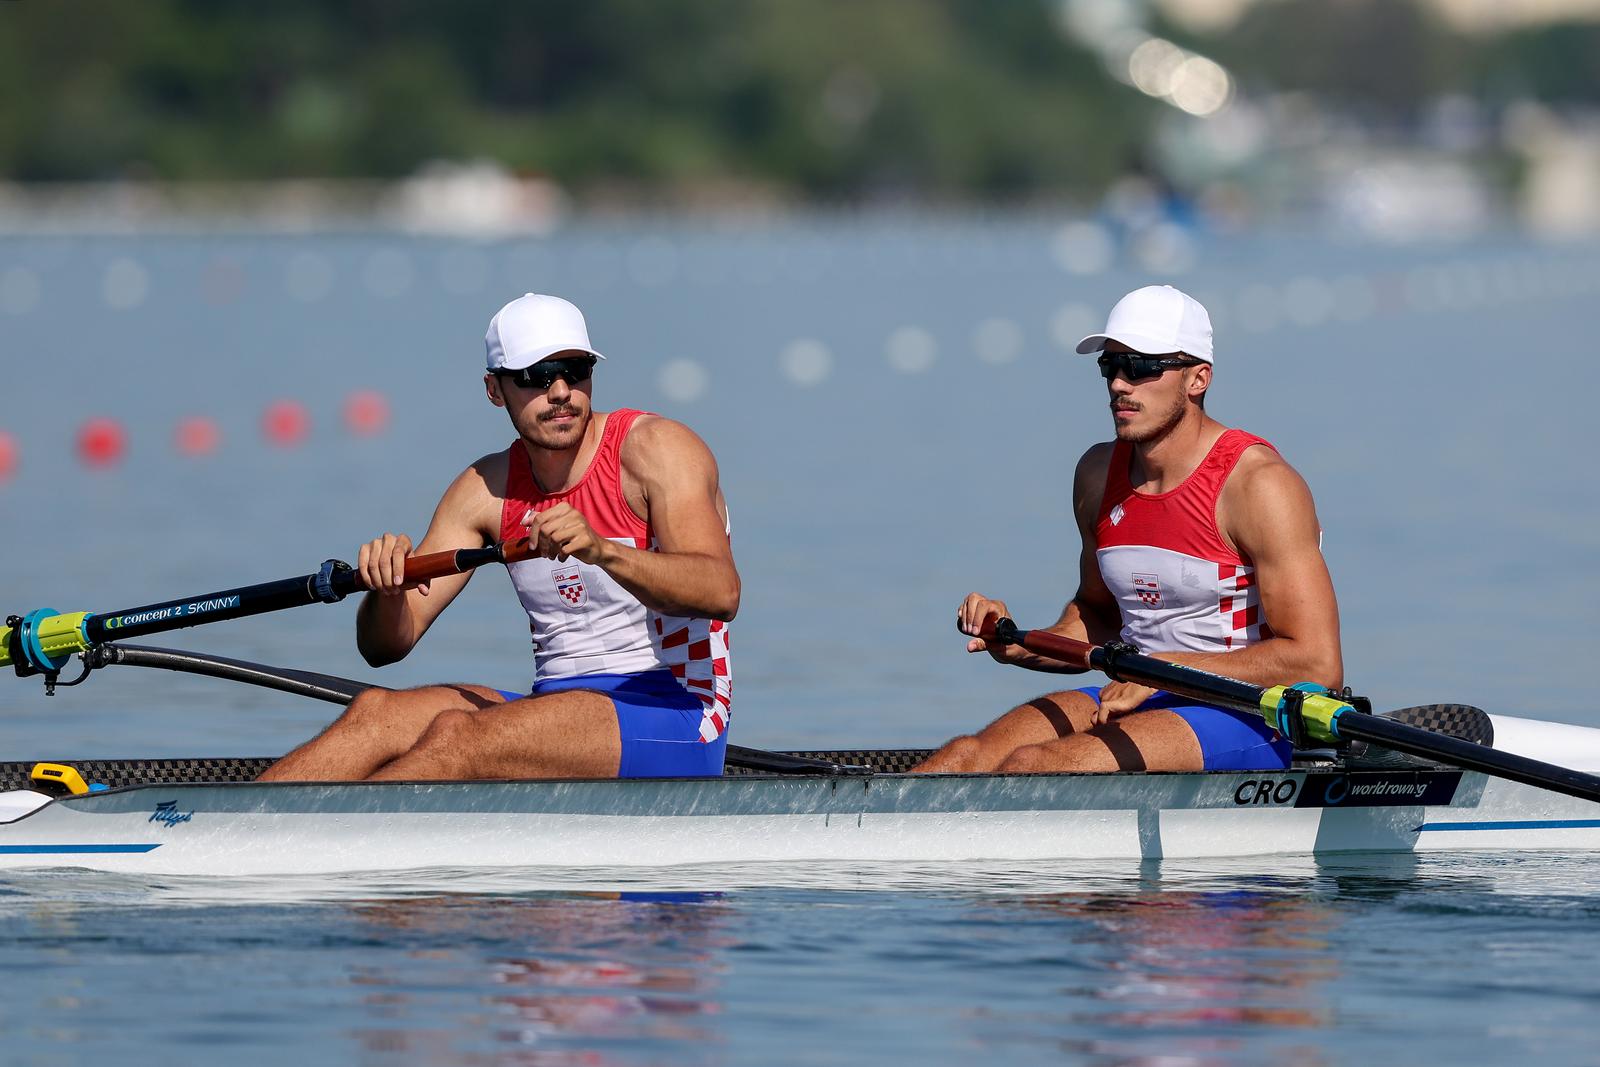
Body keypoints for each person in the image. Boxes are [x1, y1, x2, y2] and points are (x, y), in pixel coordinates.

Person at [260, 293, 738, 782]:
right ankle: (230, 831)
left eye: (575, 370)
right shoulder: (486, 490)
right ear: (494, 389)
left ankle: (322, 841)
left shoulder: (656, 451)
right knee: (376, 714)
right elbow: (384, 648)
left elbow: (719, 592)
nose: (560, 391)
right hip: (556, 711)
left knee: (458, 737)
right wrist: (387, 593)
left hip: (677, 711)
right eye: (535, 375)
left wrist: (603, 550)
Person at [914, 284, 1341, 774]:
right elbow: (1100, 618)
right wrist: (1019, 643)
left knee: (1038, 765)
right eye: (1110, 367)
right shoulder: (1097, 476)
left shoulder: (1260, 487)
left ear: (1198, 378)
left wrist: (1166, 674)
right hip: (1133, 693)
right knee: (962, 760)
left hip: (1251, 713)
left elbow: (1317, 663)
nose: (1120, 384)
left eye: (1140, 367)